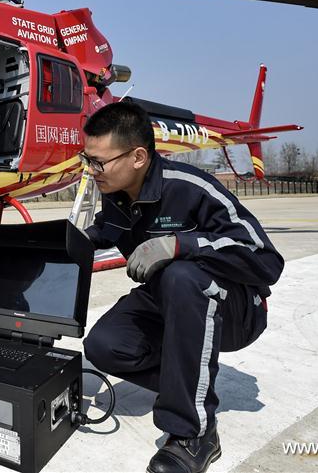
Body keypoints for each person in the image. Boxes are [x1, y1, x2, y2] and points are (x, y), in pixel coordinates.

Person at [80, 101, 283, 473]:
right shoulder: (115, 194)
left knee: (180, 275)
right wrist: (64, 242)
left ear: (138, 157)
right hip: (167, 300)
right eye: (86, 159)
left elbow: (267, 260)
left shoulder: (191, 187)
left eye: (98, 162)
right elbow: (105, 231)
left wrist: (180, 244)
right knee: (103, 346)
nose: (91, 171)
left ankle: (194, 434)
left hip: (236, 308)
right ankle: (190, 383)